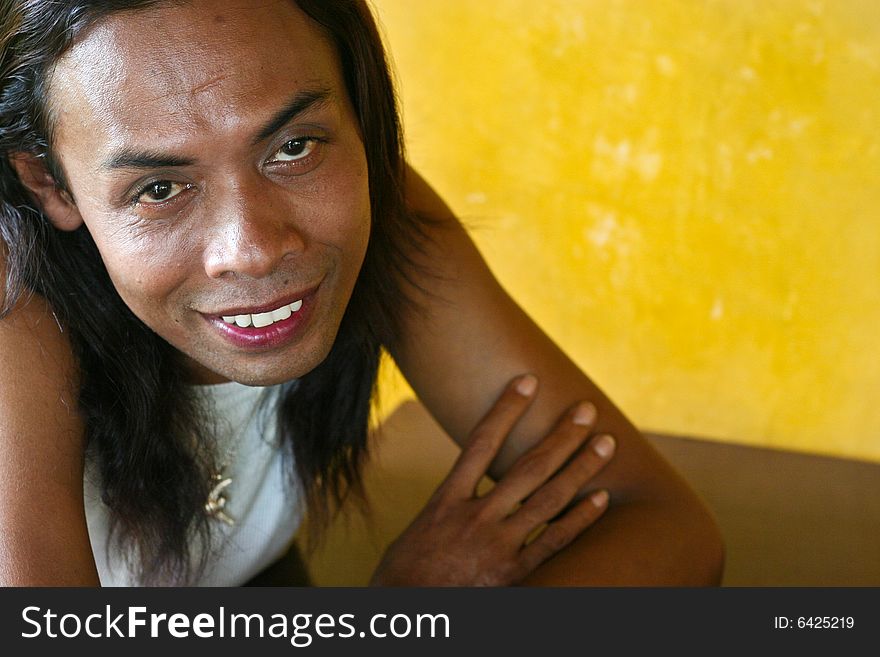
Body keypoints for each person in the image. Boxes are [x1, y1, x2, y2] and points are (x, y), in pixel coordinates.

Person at [0, 0, 723, 586]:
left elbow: (665, 527)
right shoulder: (16, 322)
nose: (252, 248)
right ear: (49, 182)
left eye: (293, 147)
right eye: (159, 188)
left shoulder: (381, 213)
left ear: (358, 112)